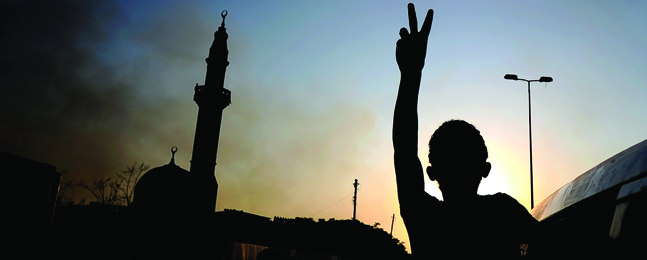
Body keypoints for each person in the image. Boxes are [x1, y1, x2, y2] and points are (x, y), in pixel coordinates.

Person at [393, 3, 539, 258]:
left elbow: (404, 150)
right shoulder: (504, 212)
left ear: (430, 172)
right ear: (485, 169)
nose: (459, 168)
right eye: (455, 160)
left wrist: (411, 75)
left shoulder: (424, 217)